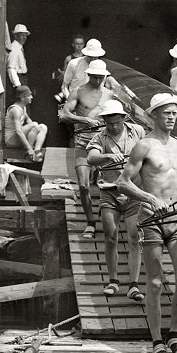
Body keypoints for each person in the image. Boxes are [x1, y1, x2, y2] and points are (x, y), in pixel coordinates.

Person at [117, 93, 177, 353]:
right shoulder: (144, 146)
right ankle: (157, 340)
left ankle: (174, 334)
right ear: (154, 115)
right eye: (166, 113)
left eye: (174, 113)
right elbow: (123, 182)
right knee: (155, 282)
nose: (171, 117)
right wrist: (149, 198)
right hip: (151, 219)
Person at [87, 99, 146, 301]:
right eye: (109, 123)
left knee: (134, 237)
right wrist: (107, 157)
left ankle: (134, 285)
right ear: (104, 121)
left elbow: (150, 151)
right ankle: (113, 281)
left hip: (133, 191)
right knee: (110, 237)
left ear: (123, 118)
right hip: (110, 191)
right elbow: (91, 159)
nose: (113, 127)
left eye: (117, 123)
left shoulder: (137, 132)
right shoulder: (99, 137)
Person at [60, 60, 114, 239]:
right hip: (83, 140)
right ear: (89, 75)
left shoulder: (110, 94)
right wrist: (84, 120)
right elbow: (64, 115)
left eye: (101, 77)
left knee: (109, 186)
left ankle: (108, 219)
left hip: (103, 142)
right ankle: (90, 223)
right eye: (95, 77)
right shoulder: (79, 91)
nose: (98, 80)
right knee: (83, 185)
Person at [3, 86, 47, 161]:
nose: (32, 97)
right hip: (11, 140)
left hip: (18, 139)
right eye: (29, 95)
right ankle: (29, 151)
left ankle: (36, 152)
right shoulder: (15, 110)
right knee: (35, 124)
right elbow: (18, 131)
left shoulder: (23, 107)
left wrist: (35, 129)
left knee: (43, 127)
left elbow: (27, 119)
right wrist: (29, 148)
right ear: (22, 98)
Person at [61, 37, 106, 102]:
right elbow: (64, 86)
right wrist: (69, 99)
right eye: (90, 56)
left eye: (95, 57)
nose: (93, 59)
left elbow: (101, 88)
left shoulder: (102, 66)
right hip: (74, 101)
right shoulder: (74, 64)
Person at [54, 34, 86, 103]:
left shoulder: (87, 58)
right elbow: (65, 76)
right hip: (73, 89)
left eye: (81, 44)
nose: (79, 46)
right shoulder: (69, 59)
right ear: (73, 44)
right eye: (77, 44)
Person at [6, 24, 30, 88]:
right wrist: (18, 85)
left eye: (25, 35)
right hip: (18, 79)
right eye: (22, 35)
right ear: (16, 36)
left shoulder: (20, 48)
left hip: (23, 78)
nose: (24, 38)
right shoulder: (14, 49)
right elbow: (11, 68)